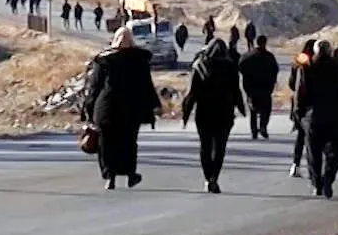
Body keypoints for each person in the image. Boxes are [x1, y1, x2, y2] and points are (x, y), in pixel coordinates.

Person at [80, 25, 162, 191]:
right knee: (129, 142)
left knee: (107, 143)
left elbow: (95, 87)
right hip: (131, 108)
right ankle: (130, 174)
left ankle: (110, 176)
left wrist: (87, 109)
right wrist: (155, 105)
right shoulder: (140, 59)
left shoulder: (105, 60)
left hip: (107, 108)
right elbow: (147, 85)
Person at [181, 40, 247, 192]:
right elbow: (236, 91)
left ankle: (207, 177)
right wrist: (242, 109)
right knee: (219, 148)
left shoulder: (199, 66)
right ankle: (214, 178)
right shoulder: (230, 67)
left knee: (205, 146)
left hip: (203, 113)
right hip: (224, 113)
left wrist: (185, 114)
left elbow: (191, 93)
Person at [295, 39, 338, 198]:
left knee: (313, 154)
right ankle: (328, 179)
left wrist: (298, 113)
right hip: (335, 116)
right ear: (330, 51)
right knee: (335, 153)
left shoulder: (307, 68)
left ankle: (317, 184)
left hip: (313, 116)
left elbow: (300, 92)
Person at [239, 36, 279, 140]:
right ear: (265, 43)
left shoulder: (247, 56)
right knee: (266, 109)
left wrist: (247, 78)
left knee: (253, 110)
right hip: (265, 87)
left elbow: (240, 67)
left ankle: (254, 131)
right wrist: (272, 81)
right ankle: (263, 126)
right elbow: (275, 70)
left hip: (251, 87)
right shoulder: (269, 57)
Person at [288, 39, 315, 178]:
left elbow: (292, 84)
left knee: (300, 136)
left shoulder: (299, 61)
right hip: (311, 105)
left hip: (298, 104)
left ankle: (295, 164)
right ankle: (314, 167)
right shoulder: (316, 64)